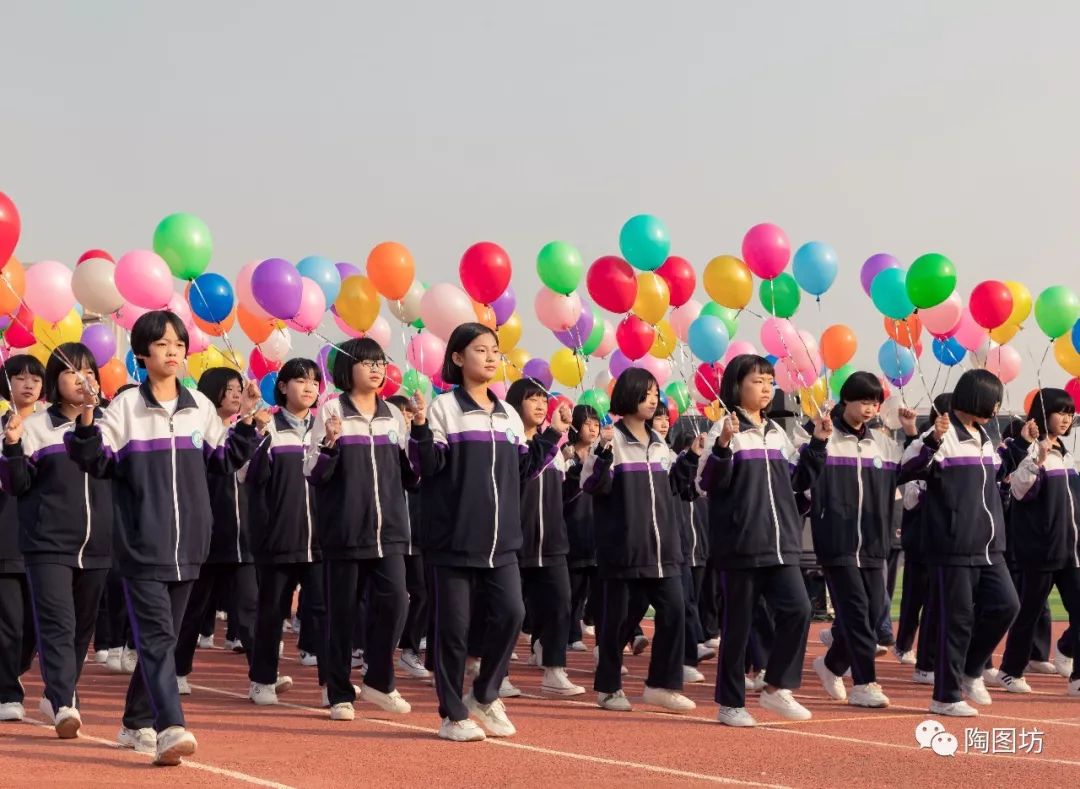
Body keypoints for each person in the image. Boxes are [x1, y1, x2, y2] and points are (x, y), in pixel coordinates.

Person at [66, 310, 260, 765]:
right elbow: (93, 459)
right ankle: (171, 725)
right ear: (141, 354)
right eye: (161, 344)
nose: (172, 351)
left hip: (190, 544)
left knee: (165, 639)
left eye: (178, 343)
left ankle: (135, 722)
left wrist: (249, 422)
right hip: (142, 546)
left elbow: (225, 460)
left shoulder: (200, 407)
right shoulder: (125, 409)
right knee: (155, 639)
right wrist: (89, 418)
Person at [410, 322, 568, 742]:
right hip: (453, 542)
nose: (492, 357)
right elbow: (428, 468)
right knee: (453, 632)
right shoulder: (444, 409)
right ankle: (452, 714)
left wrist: (552, 435)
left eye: (495, 350)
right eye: (481, 350)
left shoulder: (508, 414)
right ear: (459, 358)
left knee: (513, 613)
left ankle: (484, 692)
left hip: (502, 543)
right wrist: (422, 428)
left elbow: (522, 471)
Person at [691, 354, 829, 727]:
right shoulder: (726, 429)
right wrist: (721, 446)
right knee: (737, 627)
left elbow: (797, 481)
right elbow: (705, 484)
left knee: (799, 609)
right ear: (736, 386)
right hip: (740, 545)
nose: (767, 388)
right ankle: (731, 703)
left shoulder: (776, 432)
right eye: (757, 381)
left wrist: (817, 444)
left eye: (770, 381)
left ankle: (777, 686)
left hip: (780, 542)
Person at [1, 344, 113, 738]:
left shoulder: (109, 423)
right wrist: (12, 446)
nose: (82, 379)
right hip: (47, 544)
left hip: (99, 545)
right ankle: (64, 699)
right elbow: (17, 485)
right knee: (57, 624)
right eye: (71, 372)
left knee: (82, 629)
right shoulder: (34, 427)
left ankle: (57, 692)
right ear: (56, 380)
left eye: (88, 372)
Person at [306, 338, 418, 720]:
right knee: (342, 614)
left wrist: (417, 435)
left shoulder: (393, 415)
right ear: (347, 369)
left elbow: (411, 477)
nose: (376, 369)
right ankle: (338, 692)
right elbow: (314, 473)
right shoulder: (332, 410)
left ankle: (380, 680)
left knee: (396, 601)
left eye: (380, 362)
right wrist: (330, 445)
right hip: (345, 531)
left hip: (390, 531)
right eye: (367, 362)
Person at [899, 369, 1020, 717]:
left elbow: (997, 477)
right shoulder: (941, 435)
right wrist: (931, 441)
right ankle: (945, 696)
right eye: (992, 400)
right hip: (953, 546)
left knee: (1007, 606)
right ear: (974, 396)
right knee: (957, 621)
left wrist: (1023, 445)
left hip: (990, 546)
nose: (996, 408)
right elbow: (906, 471)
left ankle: (970, 670)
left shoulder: (984, 435)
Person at [583, 368, 696, 714]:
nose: (654, 399)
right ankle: (608, 686)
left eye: (656, 392)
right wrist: (601, 452)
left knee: (676, 612)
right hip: (624, 550)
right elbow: (591, 485)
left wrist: (692, 456)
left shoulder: (659, 442)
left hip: (663, 550)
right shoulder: (611, 440)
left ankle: (661, 684)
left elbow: (678, 485)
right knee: (619, 621)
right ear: (628, 394)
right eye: (646, 392)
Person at [807, 372, 915, 709]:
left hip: (872, 542)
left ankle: (831, 664)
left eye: (875, 402)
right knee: (855, 611)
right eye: (864, 401)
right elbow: (802, 480)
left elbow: (915, 469)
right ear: (846, 400)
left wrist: (912, 433)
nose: (870, 408)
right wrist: (817, 442)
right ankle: (865, 683)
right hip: (836, 543)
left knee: (872, 612)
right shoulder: (824, 438)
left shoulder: (882, 444)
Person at [173, 367, 263, 695]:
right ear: (213, 392)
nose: (237, 394)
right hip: (207, 538)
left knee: (250, 607)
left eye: (240, 388)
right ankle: (178, 671)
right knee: (192, 610)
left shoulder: (249, 430)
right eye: (230, 389)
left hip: (243, 539)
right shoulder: (200, 433)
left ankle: (261, 676)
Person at [244, 357, 326, 705]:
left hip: (322, 541)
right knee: (272, 611)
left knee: (323, 612)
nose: (309, 388)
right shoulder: (270, 429)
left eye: (314, 382)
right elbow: (250, 477)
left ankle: (331, 686)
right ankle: (262, 680)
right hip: (278, 539)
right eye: (300, 381)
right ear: (282, 387)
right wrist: (255, 432)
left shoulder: (327, 427)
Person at [996, 388, 1079, 697]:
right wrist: (1038, 460)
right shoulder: (1029, 451)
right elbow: (1019, 491)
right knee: (1029, 612)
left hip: (1071, 551)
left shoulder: (1069, 455)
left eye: (1070, 413)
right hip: (1040, 551)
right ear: (1042, 415)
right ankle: (1010, 670)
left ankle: (1077, 678)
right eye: (1061, 411)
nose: (1067, 418)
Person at [505, 377, 584, 696]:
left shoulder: (555, 450)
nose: (540, 405)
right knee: (510, 611)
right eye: (532, 399)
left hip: (552, 543)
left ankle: (554, 670)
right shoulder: (510, 443)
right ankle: (498, 673)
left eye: (543, 399)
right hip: (515, 542)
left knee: (559, 605)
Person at [0, 355, 45, 723]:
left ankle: (10, 671)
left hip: (49, 539)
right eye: (20, 377)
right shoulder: (2, 426)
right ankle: (7, 691)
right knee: (10, 622)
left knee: (36, 625)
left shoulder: (53, 426)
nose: (28, 384)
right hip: (8, 536)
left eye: (35, 377)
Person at [385, 394, 430, 680]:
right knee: (389, 596)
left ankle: (408, 650)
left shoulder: (420, 446)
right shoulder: (386, 446)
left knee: (422, 594)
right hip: (390, 534)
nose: (408, 416)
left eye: (410, 412)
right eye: (402, 412)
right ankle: (371, 650)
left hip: (419, 535)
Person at [563, 405, 601, 651]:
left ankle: (589, 621)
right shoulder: (565, 456)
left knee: (597, 587)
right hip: (572, 530)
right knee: (574, 588)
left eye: (596, 424)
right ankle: (571, 633)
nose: (594, 428)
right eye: (588, 423)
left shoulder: (601, 456)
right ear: (576, 426)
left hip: (596, 530)